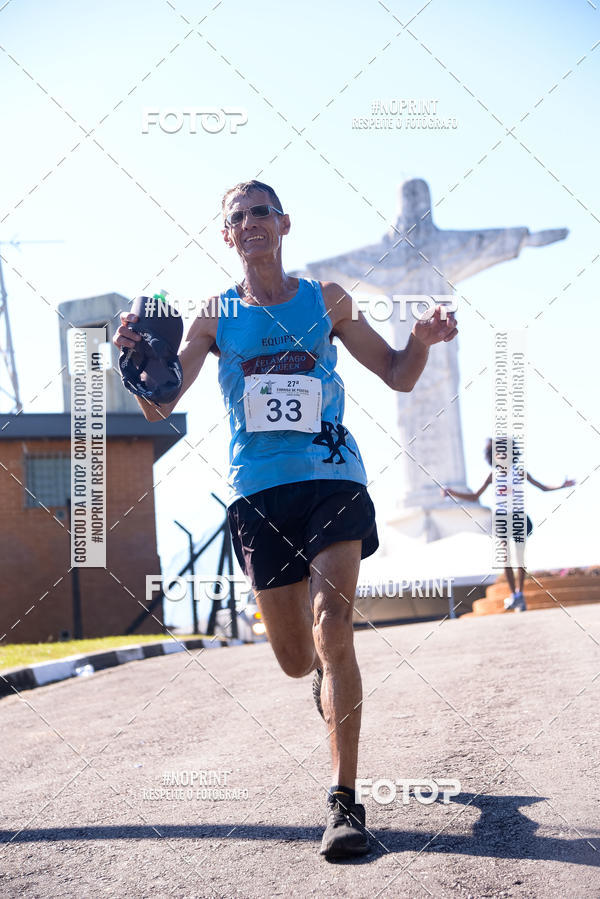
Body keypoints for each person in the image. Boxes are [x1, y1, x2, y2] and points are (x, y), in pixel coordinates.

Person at [114, 179, 458, 859]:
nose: (250, 224)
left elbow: (397, 373)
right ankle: (324, 684)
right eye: (237, 217)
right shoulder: (214, 316)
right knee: (299, 660)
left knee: (335, 625)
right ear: (227, 236)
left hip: (333, 478)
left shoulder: (324, 299)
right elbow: (160, 403)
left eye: (261, 213)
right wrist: (133, 365)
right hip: (259, 494)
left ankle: (344, 802)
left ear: (284, 224)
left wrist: (419, 339)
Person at [442, 438, 575, 611]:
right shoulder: (493, 476)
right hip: (502, 518)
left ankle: (520, 594)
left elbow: (542, 488)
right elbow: (475, 496)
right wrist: (452, 492)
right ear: (493, 456)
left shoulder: (519, 472)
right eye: (498, 452)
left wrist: (561, 486)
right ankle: (514, 595)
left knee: (520, 558)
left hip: (518, 516)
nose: (501, 454)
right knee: (505, 558)